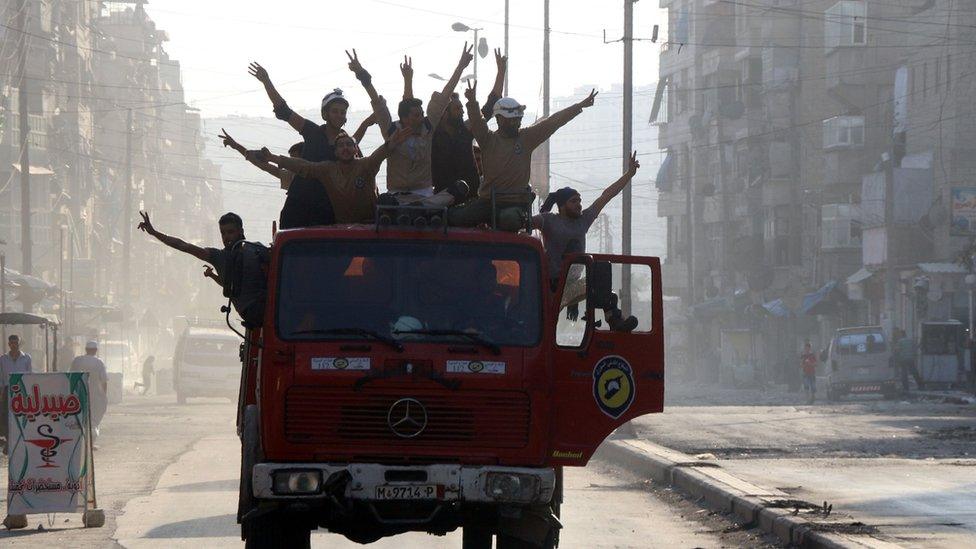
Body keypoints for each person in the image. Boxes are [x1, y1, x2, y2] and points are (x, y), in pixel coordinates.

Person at [448, 81, 599, 230]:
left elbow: (553, 122)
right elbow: (477, 121)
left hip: (515, 205)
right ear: (499, 119)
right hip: (487, 202)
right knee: (454, 217)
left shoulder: (526, 138)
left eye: (518, 120)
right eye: (512, 120)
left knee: (509, 220)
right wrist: (472, 101)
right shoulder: (488, 140)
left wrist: (579, 106)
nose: (516, 123)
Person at [346, 47, 472, 217]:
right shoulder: (391, 130)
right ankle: (417, 212)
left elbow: (445, 94)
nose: (421, 118)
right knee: (385, 201)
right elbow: (376, 101)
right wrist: (360, 72)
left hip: (425, 196)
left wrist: (461, 66)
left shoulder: (428, 127)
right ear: (404, 118)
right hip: (397, 196)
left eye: (421, 114)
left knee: (460, 188)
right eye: (416, 115)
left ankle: (416, 211)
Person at [533, 152, 641, 332]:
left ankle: (615, 322)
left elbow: (606, 196)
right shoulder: (548, 220)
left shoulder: (584, 219)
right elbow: (524, 223)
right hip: (550, 286)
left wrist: (629, 174)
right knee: (543, 325)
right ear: (562, 205)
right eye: (574, 201)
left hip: (571, 286)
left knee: (605, 289)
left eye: (580, 201)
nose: (579, 205)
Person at [248, 62, 347, 227]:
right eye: (334, 111)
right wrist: (266, 81)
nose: (339, 116)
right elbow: (284, 111)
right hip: (299, 201)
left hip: (326, 208)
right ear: (325, 114)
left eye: (342, 112)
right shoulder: (313, 132)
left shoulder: (346, 146)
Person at [137, 211, 268, 328]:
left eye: (230, 232)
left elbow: (230, 282)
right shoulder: (219, 256)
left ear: (240, 231)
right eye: (223, 233)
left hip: (269, 303)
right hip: (253, 310)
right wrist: (154, 233)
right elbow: (183, 246)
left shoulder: (255, 248)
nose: (226, 237)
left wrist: (213, 276)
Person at [256, 126, 412, 224]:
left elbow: (378, 155)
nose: (345, 148)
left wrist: (391, 144)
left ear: (356, 150)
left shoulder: (366, 165)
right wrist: (273, 158)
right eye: (341, 146)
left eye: (349, 145)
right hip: (341, 230)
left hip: (370, 226)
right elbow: (304, 166)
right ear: (335, 152)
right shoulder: (327, 169)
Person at [427, 49, 506, 202]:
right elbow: (443, 96)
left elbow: (490, 105)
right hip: (441, 196)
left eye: (462, 108)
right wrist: (461, 66)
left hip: (470, 195)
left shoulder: (465, 129)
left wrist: (501, 71)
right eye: (457, 109)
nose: (462, 111)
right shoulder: (432, 133)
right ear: (444, 113)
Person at [70, 341, 108, 439]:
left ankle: (81, 440)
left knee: (80, 416)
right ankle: (90, 441)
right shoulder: (99, 362)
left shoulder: (77, 360)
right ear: (95, 351)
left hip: (78, 393)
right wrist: (104, 395)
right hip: (94, 394)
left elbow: (70, 376)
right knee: (93, 418)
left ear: (86, 349)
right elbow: (104, 380)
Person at [0, 334, 32, 450]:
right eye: (12, 343)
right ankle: (9, 441)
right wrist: (2, 393)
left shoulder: (26, 358)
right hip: (8, 389)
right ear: (9, 344)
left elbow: (29, 375)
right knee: (7, 416)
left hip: (22, 389)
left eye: (16, 343)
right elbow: (1, 378)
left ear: (19, 344)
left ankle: (22, 440)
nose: (14, 345)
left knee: (21, 414)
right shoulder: (3, 359)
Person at [893, 328, 924, 392]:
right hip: (910, 358)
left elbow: (897, 350)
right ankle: (920, 385)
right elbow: (916, 347)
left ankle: (906, 387)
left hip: (903, 359)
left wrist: (896, 357)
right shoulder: (910, 340)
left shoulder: (900, 341)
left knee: (904, 373)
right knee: (914, 372)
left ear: (901, 335)